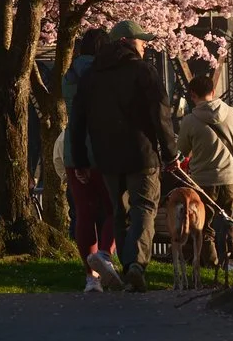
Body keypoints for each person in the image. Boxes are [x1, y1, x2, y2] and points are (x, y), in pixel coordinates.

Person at [72, 20, 177, 292]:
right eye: (141, 41)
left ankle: (125, 266)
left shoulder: (91, 76)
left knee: (119, 212)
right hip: (142, 155)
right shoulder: (143, 71)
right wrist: (170, 153)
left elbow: (77, 119)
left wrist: (80, 158)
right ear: (128, 43)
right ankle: (136, 265)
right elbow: (160, 115)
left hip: (107, 158)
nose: (144, 45)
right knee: (144, 207)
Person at [175, 63, 233, 272]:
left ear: (192, 95)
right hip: (230, 177)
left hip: (203, 181)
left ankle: (213, 266)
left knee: (204, 228)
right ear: (213, 92)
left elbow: (181, 152)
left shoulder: (189, 121)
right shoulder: (232, 113)